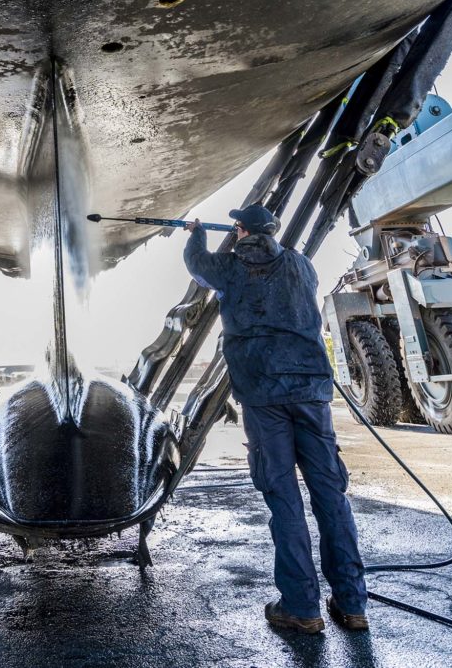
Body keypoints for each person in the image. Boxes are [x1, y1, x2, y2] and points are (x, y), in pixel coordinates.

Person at [183, 204, 368, 633]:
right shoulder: (301, 265)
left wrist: (195, 233)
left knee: (284, 498)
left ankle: (302, 607)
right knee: (330, 496)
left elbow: (198, 266)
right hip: (311, 392)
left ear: (240, 230)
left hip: (264, 395)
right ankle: (352, 603)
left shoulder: (228, 267)